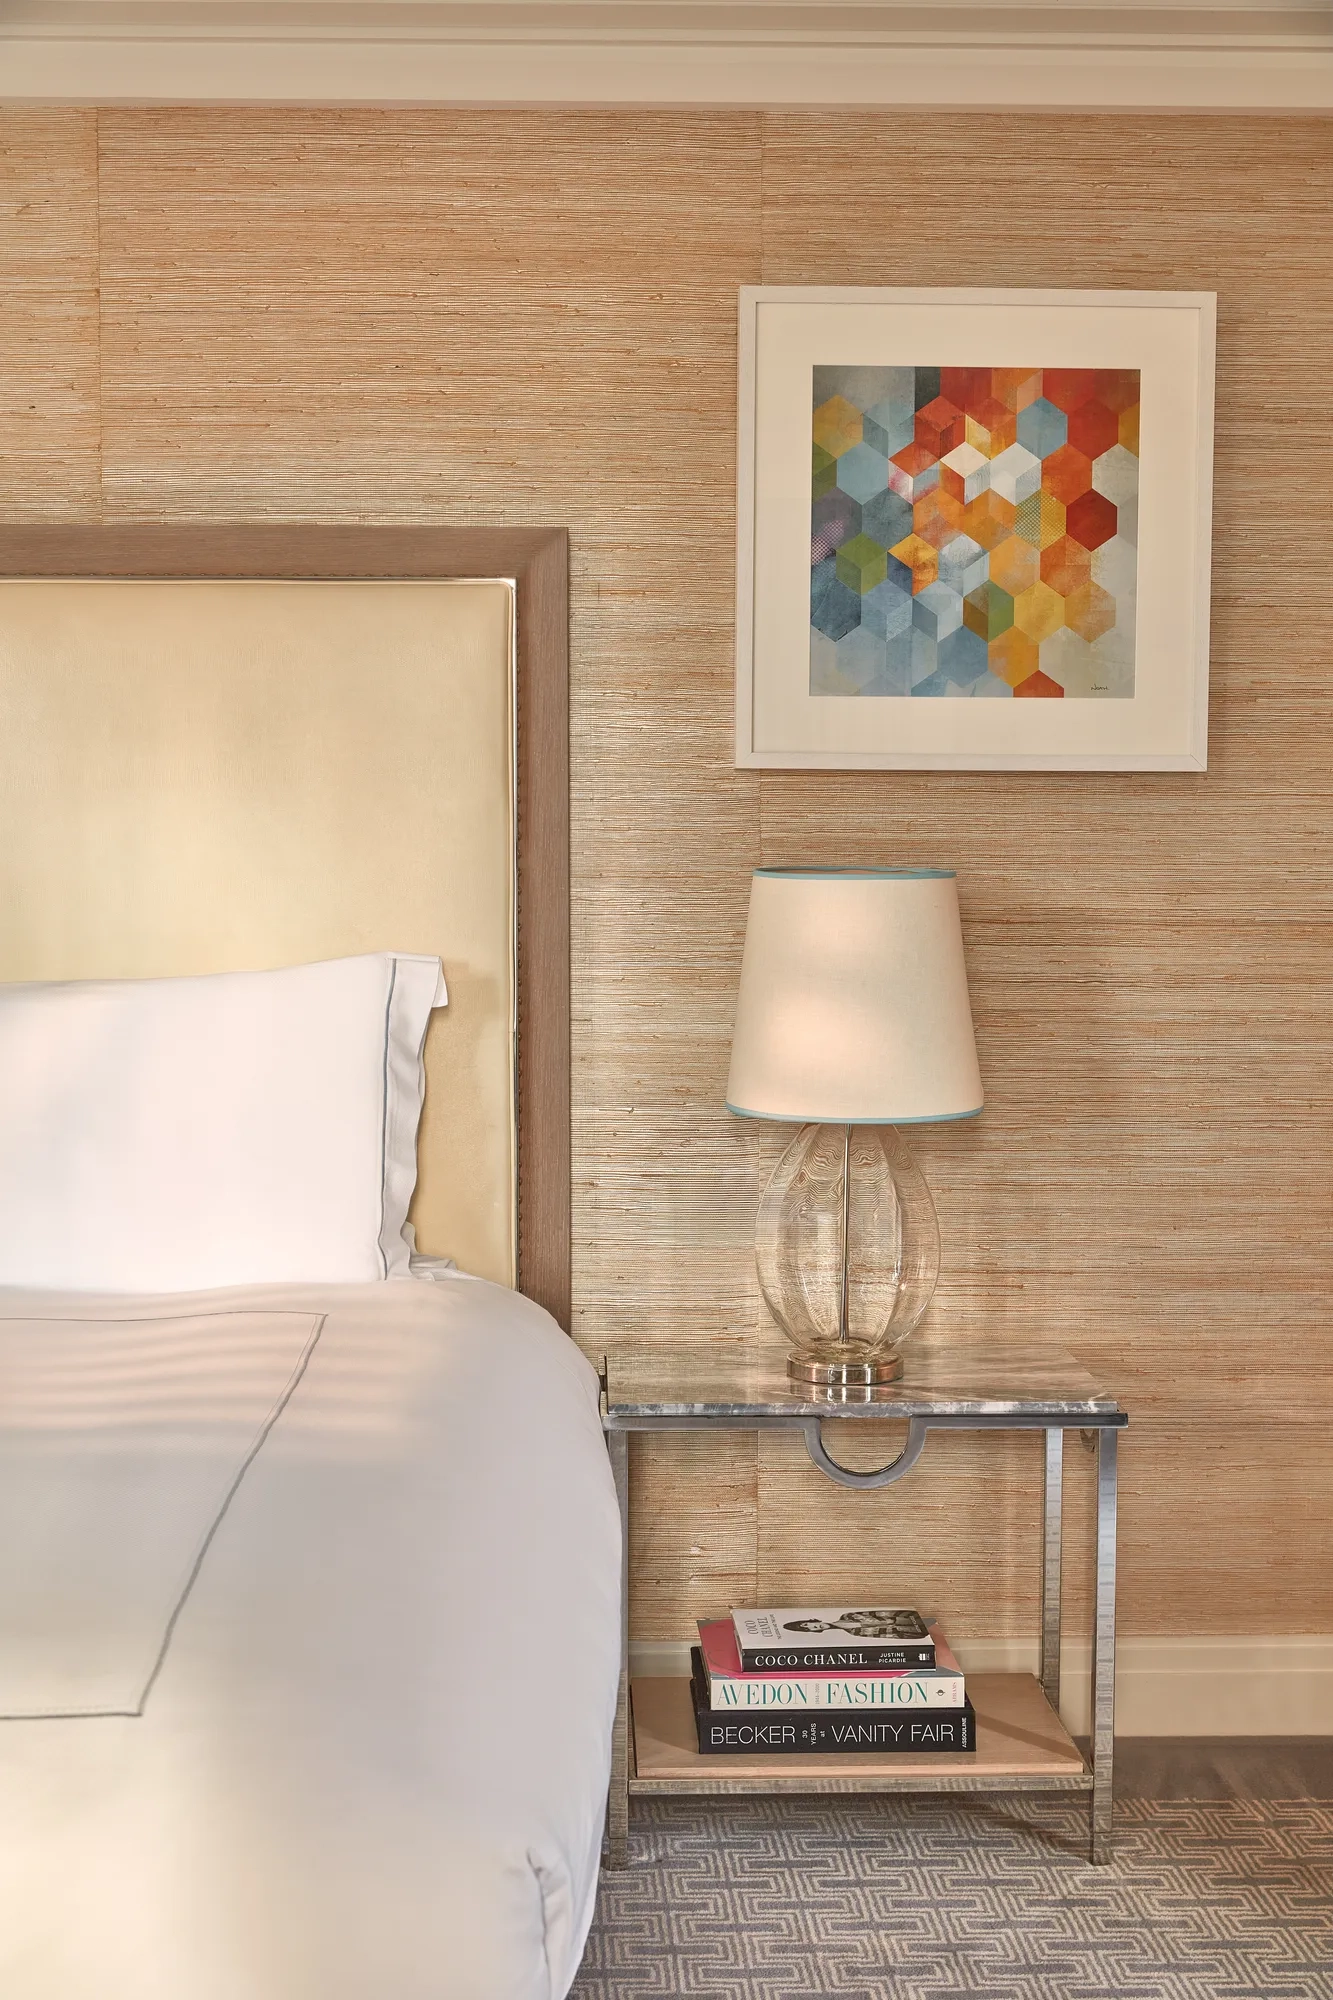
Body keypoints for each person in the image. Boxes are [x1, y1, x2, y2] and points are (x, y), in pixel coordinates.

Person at [782, 1610, 924, 1640]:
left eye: (808, 1624)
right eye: (809, 1630)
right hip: (910, 1631)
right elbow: (890, 1635)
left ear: (814, 1620)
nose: (814, 1627)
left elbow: (884, 1613)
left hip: (906, 1618)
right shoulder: (856, 1634)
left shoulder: (848, 1616)